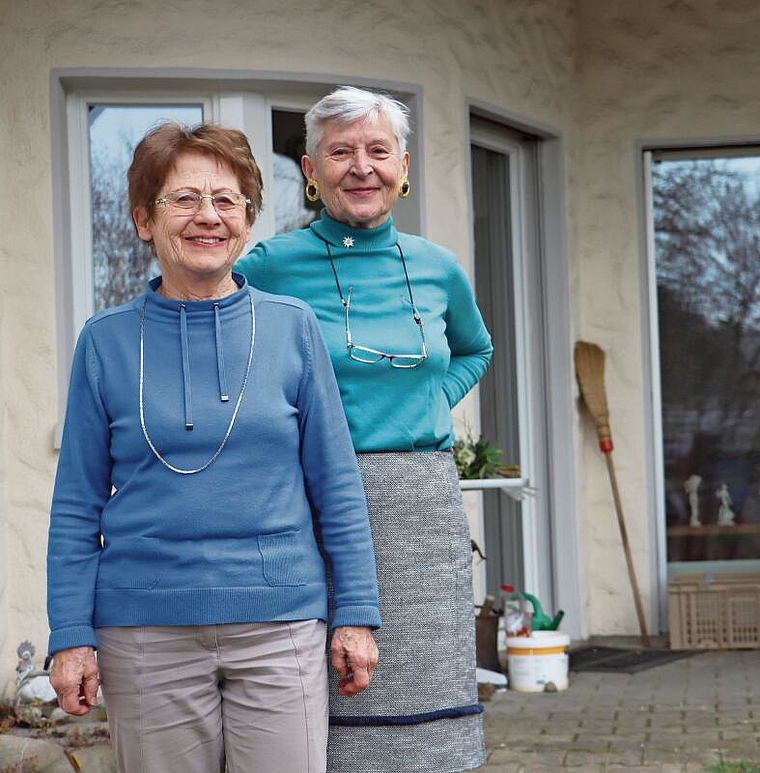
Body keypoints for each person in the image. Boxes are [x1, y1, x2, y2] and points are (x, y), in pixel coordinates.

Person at [46, 122, 381, 773]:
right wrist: (71, 634)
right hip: (145, 628)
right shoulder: (105, 342)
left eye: (228, 201)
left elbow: (337, 484)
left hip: (279, 621)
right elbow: (76, 505)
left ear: (248, 221)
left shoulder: (293, 329)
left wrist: (357, 614)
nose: (209, 216)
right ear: (145, 220)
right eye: (185, 199)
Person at [236, 86, 493, 773]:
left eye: (378, 150)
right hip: (311, 503)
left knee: (425, 688)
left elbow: (475, 349)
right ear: (311, 171)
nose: (362, 167)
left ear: (402, 166)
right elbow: (220, 351)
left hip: (420, 505)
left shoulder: (438, 266)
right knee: (320, 692)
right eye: (340, 152)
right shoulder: (268, 267)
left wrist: (430, 400)